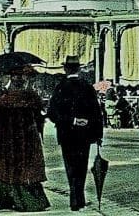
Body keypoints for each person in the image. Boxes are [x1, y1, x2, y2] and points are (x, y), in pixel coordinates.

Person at [0, 64, 50, 212]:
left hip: (10, 140)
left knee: (10, 168)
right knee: (26, 169)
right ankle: (26, 200)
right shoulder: (31, 96)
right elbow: (39, 118)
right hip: (27, 139)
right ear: (23, 80)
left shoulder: (6, 98)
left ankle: (10, 198)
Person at [47, 55, 104, 211]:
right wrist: (97, 133)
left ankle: (74, 197)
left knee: (70, 166)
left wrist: (71, 120)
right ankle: (80, 197)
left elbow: (52, 113)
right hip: (84, 135)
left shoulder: (60, 87)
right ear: (79, 69)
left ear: (65, 69)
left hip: (67, 134)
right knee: (81, 166)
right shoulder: (87, 87)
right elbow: (97, 113)